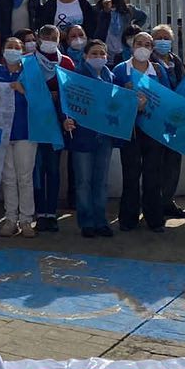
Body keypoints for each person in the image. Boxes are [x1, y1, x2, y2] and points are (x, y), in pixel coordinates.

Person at [112, 30, 167, 233]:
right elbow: (111, 98)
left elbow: (167, 97)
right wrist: (127, 97)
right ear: (132, 46)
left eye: (147, 44)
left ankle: (154, 218)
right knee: (131, 174)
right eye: (139, 43)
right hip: (130, 129)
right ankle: (128, 218)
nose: (143, 47)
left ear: (152, 49)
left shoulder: (159, 71)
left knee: (153, 174)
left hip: (153, 129)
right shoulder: (120, 70)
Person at [0, 37, 39, 238]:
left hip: (25, 132)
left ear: (23, 52)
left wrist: (23, 90)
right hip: (2, 132)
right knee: (8, 178)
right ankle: (10, 219)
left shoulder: (30, 73)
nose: (13, 50)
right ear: (3, 51)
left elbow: (40, 101)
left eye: (17, 47)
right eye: (10, 47)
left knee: (24, 177)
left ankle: (26, 220)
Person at [69, 40, 118, 238]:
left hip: (104, 137)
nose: (98, 57)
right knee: (83, 181)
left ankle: (101, 221)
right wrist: (66, 120)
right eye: (94, 53)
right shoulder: (76, 76)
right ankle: (87, 222)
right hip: (83, 136)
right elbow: (67, 102)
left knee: (101, 181)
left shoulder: (110, 76)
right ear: (85, 56)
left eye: (102, 54)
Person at [31, 25, 76, 231]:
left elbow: (71, 91)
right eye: (46, 37)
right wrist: (45, 95)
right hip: (35, 122)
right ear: (39, 39)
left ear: (59, 39)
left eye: (54, 37)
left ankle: (51, 212)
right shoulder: (29, 61)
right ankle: (40, 213)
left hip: (57, 123)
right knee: (38, 169)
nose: (50, 40)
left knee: (53, 169)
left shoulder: (66, 62)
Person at [149, 24, 185, 219]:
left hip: (175, 120)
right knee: (156, 163)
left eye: (166, 38)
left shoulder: (176, 61)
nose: (163, 41)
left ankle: (167, 200)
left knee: (173, 163)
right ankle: (154, 203)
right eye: (159, 37)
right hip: (156, 120)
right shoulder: (148, 61)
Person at [94, 0, 148, 67]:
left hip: (123, 52)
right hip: (104, 52)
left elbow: (143, 16)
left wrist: (132, 30)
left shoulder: (127, 10)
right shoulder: (96, 10)